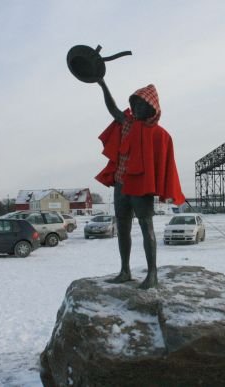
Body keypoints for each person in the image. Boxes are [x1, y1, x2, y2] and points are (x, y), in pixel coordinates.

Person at [95, 80, 184, 289]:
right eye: (134, 103)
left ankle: (152, 274)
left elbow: (165, 164)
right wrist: (102, 83)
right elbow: (113, 108)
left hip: (141, 187)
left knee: (147, 227)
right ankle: (125, 271)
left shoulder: (160, 134)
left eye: (140, 104)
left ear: (152, 109)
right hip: (120, 185)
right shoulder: (127, 123)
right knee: (122, 228)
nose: (135, 108)